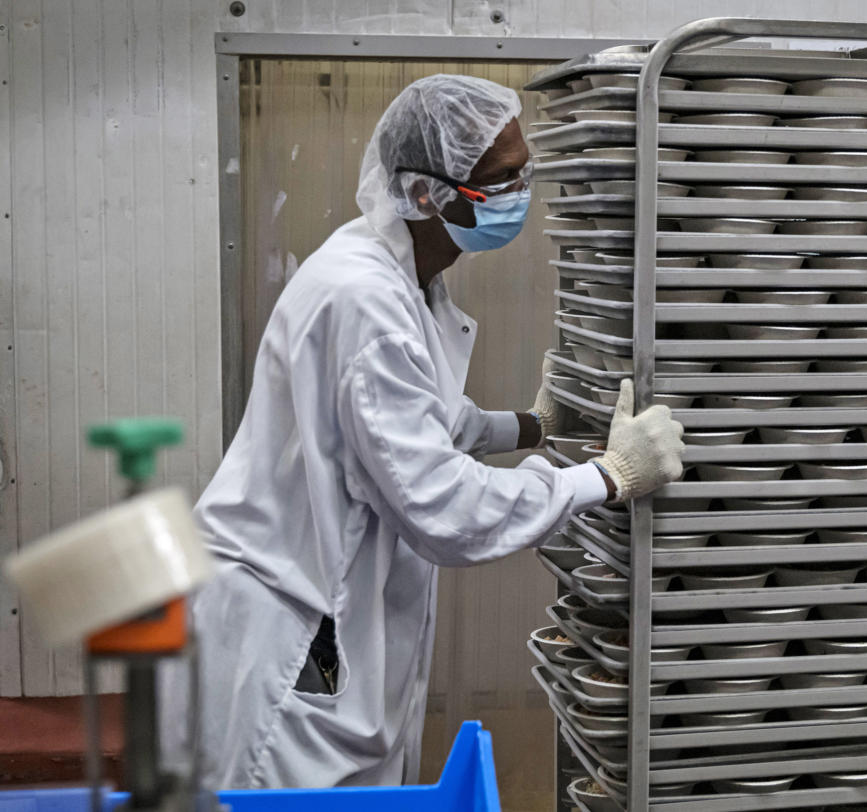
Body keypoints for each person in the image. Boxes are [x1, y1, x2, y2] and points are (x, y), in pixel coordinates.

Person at [162, 75, 684, 789]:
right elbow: (440, 507)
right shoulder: (363, 300)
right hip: (290, 634)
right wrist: (607, 476)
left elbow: (410, 422)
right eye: (502, 180)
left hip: (320, 610)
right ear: (421, 194)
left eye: (524, 171)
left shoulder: (402, 276)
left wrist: (534, 426)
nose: (520, 192)